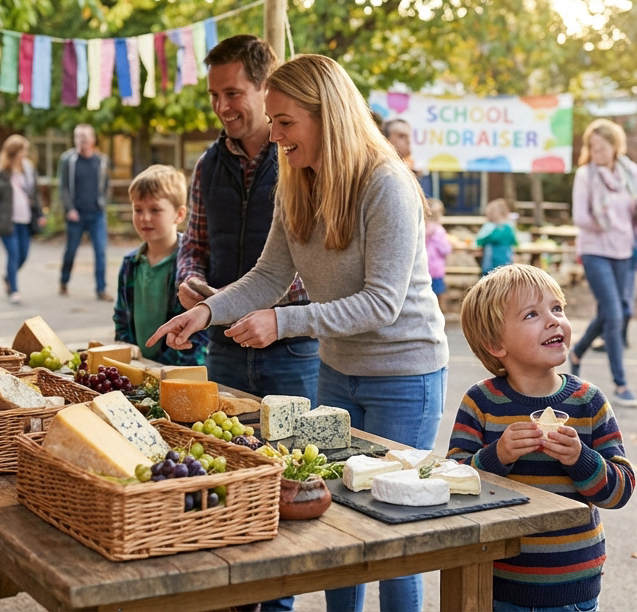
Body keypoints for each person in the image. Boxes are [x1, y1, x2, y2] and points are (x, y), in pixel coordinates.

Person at [153, 54, 448, 612]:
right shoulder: (296, 182)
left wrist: (284, 321)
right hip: (337, 372)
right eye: (273, 121)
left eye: (286, 122)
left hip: (404, 377)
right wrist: (207, 312)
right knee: (339, 523)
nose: (275, 136)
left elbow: (382, 304)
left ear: (327, 116)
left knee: (394, 533)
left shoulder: (387, 184)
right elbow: (268, 276)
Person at [449, 263, 635, 612]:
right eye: (532, 314)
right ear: (495, 344)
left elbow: (620, 491)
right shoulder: (481, 402)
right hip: (497, 581)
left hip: (572, 586)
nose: (553, 320)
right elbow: (453, 485)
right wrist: (497, 456)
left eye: (557, 308)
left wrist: (580, 458)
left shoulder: (588, 401)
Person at [175, 34, 319, 403]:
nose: (221, 106)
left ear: (266, 88)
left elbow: (321, 262)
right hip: (224, 346)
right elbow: (194, 243)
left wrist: (246, 301)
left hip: (294, 350)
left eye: (232, 93)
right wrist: (190, 279)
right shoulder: (207, 165)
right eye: (214, 95)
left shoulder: (303, 159)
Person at [569, 120, 637, 408]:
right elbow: (580, 216)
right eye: (592, 147)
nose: (597, 152)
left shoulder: (630, 171)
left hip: (625, 251)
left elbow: (636, 208)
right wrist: (606, 221)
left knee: (620, 311)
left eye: (602, 147)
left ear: (615, 146)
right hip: (595, 251)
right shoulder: (585, 175)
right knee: (614, 315)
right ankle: (621, 384)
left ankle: (577, 351)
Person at [114, 164, 208, 366]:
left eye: (155, 210)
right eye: (138, 209)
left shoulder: (193, 265)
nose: (145, 218)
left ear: (179, 214)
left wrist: (164, 369)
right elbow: (121, 319)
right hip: (139, 368)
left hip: (179, 370)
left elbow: (198, 331)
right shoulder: (130, 263)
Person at [0, 133, 45, 304]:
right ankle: (14, 290)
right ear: (14, 152)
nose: (25, 154)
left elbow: (35, 194)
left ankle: (8, 277)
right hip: (7, 221)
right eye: (23, 150)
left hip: (26, 220)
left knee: (23, 255)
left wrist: (40, 214)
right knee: (13, 255)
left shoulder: (28, 169)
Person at [58, 123, 111, 300]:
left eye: (85, 138)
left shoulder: (101, 161)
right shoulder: (68, 161)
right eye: (79, 138)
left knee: (100, 251)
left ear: (93, 140)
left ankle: (101, 289)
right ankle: (64, 282)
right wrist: (69, 209)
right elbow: (64, 187)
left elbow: (106, 185)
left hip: (97, 214)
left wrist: (104, 203)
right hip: (76, 215)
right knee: (71, 251)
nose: (82, 141)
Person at [475, 197, 518, 274]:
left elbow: (479, 241)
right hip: (507, 261)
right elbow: (516, 242)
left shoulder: (490, 227)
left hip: (491, 262)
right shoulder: (509, 227)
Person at [424, 197, 451, 299]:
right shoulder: (439, 230)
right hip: (436, 269)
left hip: (424, 267)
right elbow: (445, 249)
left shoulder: (422, 228)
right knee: (438, 296)